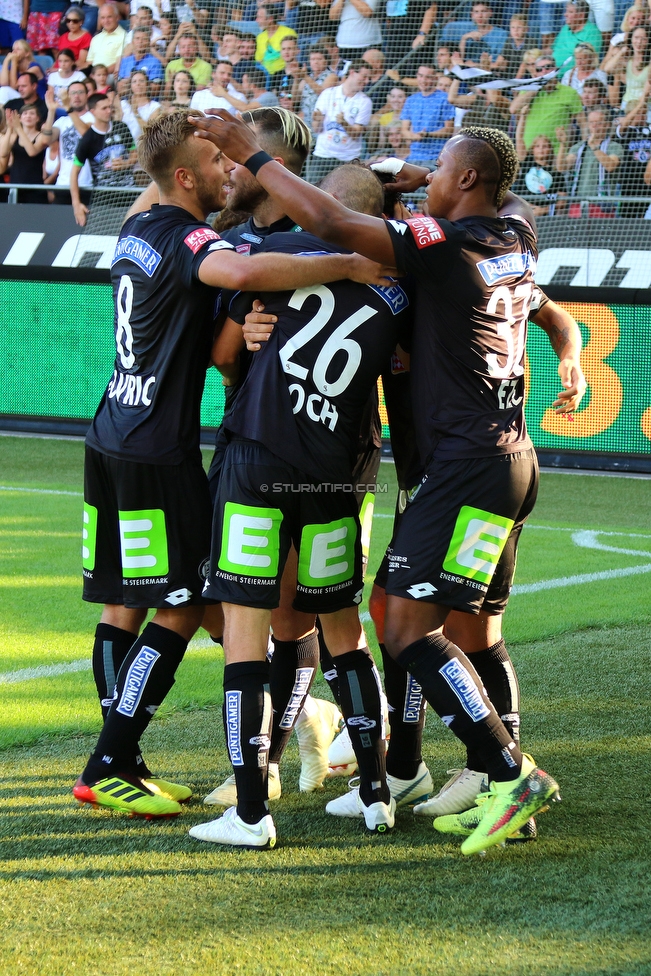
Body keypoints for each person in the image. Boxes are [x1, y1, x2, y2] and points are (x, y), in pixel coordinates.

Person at [189, 114, 574, 854]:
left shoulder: (441, 247)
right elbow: (402, 215)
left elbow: (333, 221)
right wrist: (404, 189)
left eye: (438, 170)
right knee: (454, 623)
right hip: (508, 460)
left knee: (402, 626)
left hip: (459, 466)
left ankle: (504, 769)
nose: (422, 178)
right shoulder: (516, 238)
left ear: (465, 181)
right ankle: (460, 775)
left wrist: (252, 156)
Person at [72, 107, 392, 821]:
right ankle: (114, 759)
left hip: (115, 432)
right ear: (188, 175)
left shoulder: (136, 224)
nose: (231, 168)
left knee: (183, 604)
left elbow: (171, 191)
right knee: (193, 607)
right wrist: (341, 263)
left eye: (240, 158)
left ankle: (279, 737)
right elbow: (239, 273)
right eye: (219, 161)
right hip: (171, 447)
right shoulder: (202, 238)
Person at [189, 162, 408, 848]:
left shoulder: (273, 253)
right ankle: (375, 793)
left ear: (319, 209)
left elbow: (223, 350)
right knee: (343, 633)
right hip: (337, 475)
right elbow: (401, 365)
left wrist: (251, 335)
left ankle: (251, 811)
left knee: (244, 635)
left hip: (259, 458)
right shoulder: (402, 290)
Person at [69, 90, 136, 226]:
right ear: (92, 111)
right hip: (104, 197)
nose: (108, 111)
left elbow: (136, 153)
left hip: (129, 193)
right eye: (104, 108)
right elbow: (74, 172)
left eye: (109, 107)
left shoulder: (121, 127)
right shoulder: (87, 139)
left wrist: (126, 163)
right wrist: (76, 204)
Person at [307, 59, 372, 183]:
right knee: (314, 194)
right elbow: (316, 129)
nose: (367, 81)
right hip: (323, 155)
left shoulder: (364, 101)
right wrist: (318, 120)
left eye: (368, 78)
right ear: (352, 72)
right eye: (364, 77)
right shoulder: (328, 94)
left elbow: (356, 134)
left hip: (348, 158)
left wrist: (344, 123)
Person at [556, 105, 622, 213]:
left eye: (599, 123)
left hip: (602, 205)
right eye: (591, 122)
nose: (594, 126)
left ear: (607, 125)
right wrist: (563, 145)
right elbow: (562, 167)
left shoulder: (614, 146)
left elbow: (611, 166)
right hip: (578, 203)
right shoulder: (579, 147)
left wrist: (594, 147)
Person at [510, 55, 583, 151]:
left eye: (548, 68)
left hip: (556, 155)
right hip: (529, 153)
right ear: (536, 74)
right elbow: (513, 109)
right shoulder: (528, 90)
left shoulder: (570, 92)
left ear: (556, 70)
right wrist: (536, 88)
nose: (544, 71)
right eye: (539, 70)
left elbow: (582, 123)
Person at [400, 64, 455, 166]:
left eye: (428, 77)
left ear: (435, 79)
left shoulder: (444, 99)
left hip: (436, 158)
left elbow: (449, 130)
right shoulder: (411, 100)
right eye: (420, 76)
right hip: (413, 157)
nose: (423, 80)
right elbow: (404, 130)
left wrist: (428, 134)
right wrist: (413, 136)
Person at [0, 95, 53, 198]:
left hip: (35, 187)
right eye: (25, 113)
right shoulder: (14, 135)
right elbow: (3, 152)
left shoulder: (40, 136)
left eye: (32, 113)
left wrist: (19, 129)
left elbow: (31, 152)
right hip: (15, 185)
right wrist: (10, 128)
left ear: (37, 118)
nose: (28, 116)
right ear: (20, 118)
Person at [50, 78, 92, 201]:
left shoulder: (94, 118)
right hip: (63, 183)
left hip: (86, 184)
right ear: (68, 96)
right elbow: (47, 140)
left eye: (80, 92)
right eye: (73, 93)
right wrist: (51, 111)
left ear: (87, 95)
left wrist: (67, 106)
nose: (77, 96)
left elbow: (85, 133)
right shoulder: (61, 121)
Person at [514, 129, 566, 214]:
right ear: (532, 149)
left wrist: (543, 210)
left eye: (545, 146)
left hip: (546, 219)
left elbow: (563, 201)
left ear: (550, 149)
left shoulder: (556, 174)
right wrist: (530, 208)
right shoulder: (527, 163)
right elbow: (519, 137)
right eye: (537, 146)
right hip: (523, 212)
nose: (541, 149)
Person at [553, 0, 603, 70]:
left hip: (573, 76)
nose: (565, 14)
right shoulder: (565, 28)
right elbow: (553, 49)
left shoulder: (592, 33)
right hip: (551, 73)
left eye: (570, 12)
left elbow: (589, 60)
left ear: (581, 16)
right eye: (566, 11)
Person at [117, 26, 165, 96]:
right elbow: (119, 87)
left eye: (144, 39)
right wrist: (142, 83)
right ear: (132, 42)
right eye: (137, 38)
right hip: (127, 102)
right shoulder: (125, 61)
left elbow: (155, 88)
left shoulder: (155, 62)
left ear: (148, 42)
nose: (140, 42)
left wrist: (129, 82)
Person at [298, 43, 337, 128]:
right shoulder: (308, 77)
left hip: (322, 122)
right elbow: (296, 96)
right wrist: (296, 78)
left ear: (326, 61)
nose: (315, 62)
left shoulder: (331, 76)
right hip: (306, 121)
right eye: (313, 59)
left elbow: (322, 92)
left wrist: (305, 76)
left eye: (319, 59)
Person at [254, 4, 297, 77]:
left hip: (284, 75)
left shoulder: (288, 33)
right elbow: (259, 60)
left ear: (270, 19)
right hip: (264, 76)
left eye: (260, 17)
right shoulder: (259, 37)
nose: (256, 20)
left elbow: (294, 57)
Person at [163, 30, 211, 95]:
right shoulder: (171, 65)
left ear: (197, 48)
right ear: (179, 49)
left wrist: (175, 83)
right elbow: (166, 93)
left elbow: (200, 91)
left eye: (190, 46)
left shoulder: (206, 66)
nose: (186, 50)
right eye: (183, 47)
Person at [87, 3, 128, 78]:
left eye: (109, 17)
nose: (106, 21)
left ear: (117, 17)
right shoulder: (96, 38)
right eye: (103, 18)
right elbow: (90, 62)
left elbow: (119, 62)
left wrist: (99, 75)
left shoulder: (124, 36)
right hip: (94, 77)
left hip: (109, 76)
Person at [119, 69, 160, 140]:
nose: (138, 84)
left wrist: (136, 112)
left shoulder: (155, 106)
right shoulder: (123, 104)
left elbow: (149, 131)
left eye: (141, 81)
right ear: (130, 86)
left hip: (143, 146)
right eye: (134, 81)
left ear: (147, 84)